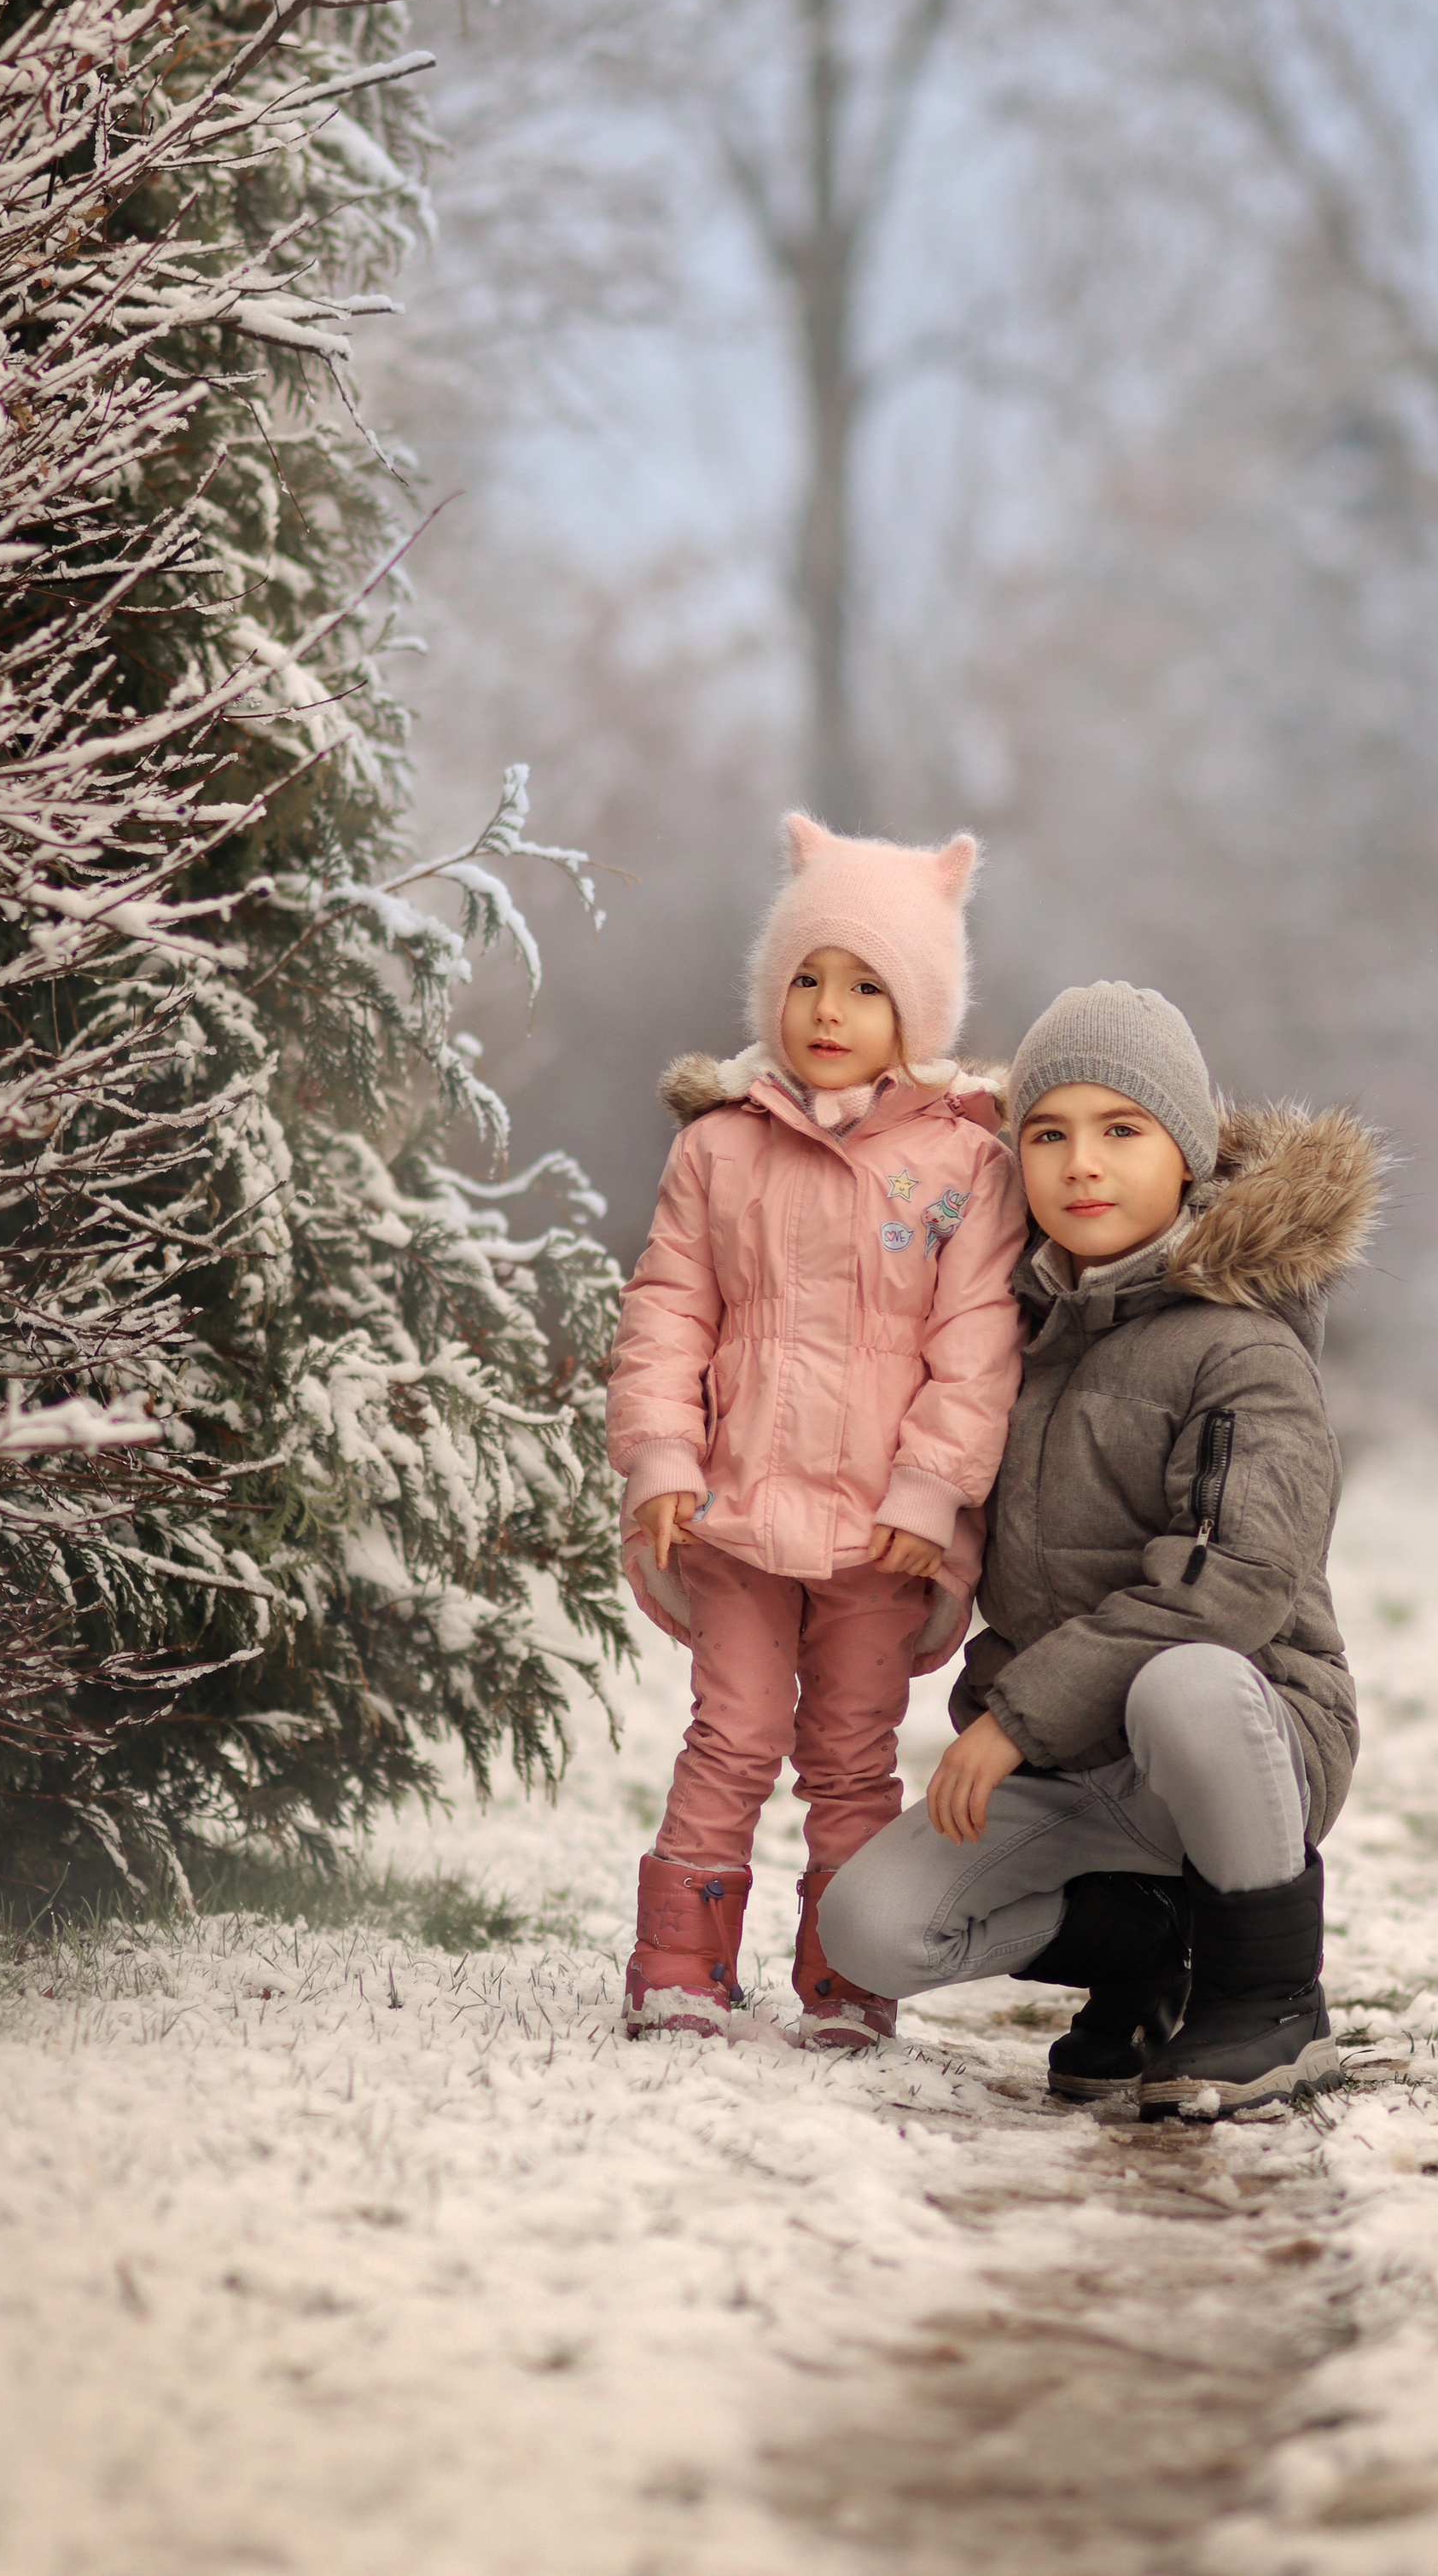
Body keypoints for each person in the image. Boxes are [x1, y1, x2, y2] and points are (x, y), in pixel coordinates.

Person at [818, 981, 1384, 2117]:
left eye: (1122, 1130)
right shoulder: (1008, 1341)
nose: (1083, 1163)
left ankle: (1268, 1997)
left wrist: (1017, 1720)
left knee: (1182, 1681)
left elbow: (1229, 1588)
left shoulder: (1245, 1349)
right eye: (1049, 1132)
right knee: (868, 1926)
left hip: (1241, 1733)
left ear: (1184, 1155)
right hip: (1078, 1765)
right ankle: (1147, 1946)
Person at [607, 814, 1025, 2047]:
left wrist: (931, 1496)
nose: (829, 1008)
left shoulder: (961, 1166)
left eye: (866, 985)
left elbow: (977, 1347)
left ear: (921, 1010)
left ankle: (848, 1973)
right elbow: (667, 1310)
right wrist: (663, 1457)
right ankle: (679, 1958)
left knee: (850, 1755)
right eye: (807, 978)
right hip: (736, 1511)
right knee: (729, 1732)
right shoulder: (719, 1150)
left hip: (878, 1536)